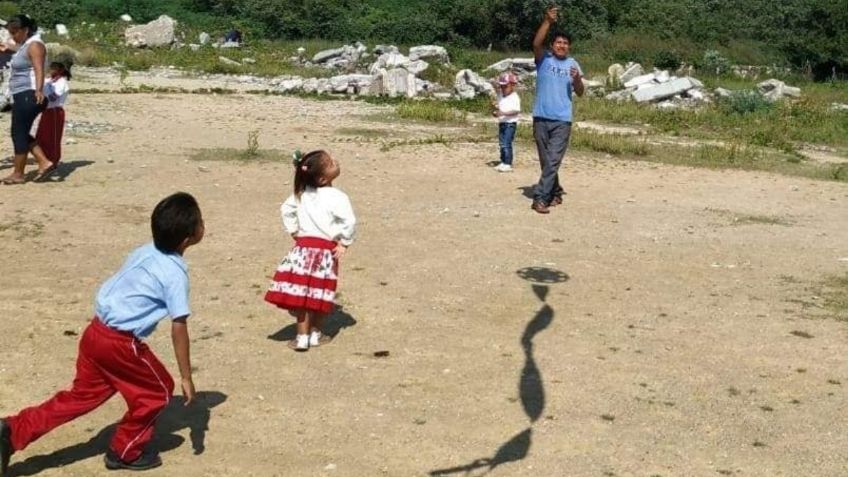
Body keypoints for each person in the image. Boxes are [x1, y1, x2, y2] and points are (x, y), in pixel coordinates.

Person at [0, 192, 205, 473]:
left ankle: (11, 432)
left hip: (95, 332)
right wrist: (186, 376)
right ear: (188, 238)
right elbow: (178, 326)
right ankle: (125, 451)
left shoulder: (145, 250)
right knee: (157, 391)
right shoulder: (175, 274)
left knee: (79, 397)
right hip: (119, 344)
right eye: (201, 222)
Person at [265, 150, 356, 352]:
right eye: (331, 162)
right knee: (320, 293)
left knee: (301, 296)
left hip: (303, 252)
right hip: (326, 253)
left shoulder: (302, 194)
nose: (336, 160)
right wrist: (344, 243)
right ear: (323, 178)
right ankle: (315, 333)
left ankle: (302, 337)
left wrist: (295, 232)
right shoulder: (338, 196)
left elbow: (285, 210)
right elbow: (349, 221)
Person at [530, 6, 585, 214]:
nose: (562, 45)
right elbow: (536, 43)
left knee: (553, 160)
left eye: (565, 43)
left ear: (569, 47)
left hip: (562, 120)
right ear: (552, 46)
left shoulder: (573, 64)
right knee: (547, 161)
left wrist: (577, 79)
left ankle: (540, 198)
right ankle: (555, 191)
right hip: (541, 117)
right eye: (558, 42)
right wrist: (547, 21)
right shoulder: (544, 60)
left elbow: (580, 92)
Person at [0, 15, 55, 185]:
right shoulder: (26, 45)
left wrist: (38, 90)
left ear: (26, 30)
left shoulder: (35, 45)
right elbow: (19, 53)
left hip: (29, 93)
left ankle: (18, 174)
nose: (12, 36)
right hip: (23, 94)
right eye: (10, 32)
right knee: (21, 132)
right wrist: (8, 48)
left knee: (18, 134)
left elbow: (39, 69)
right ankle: (44, 162)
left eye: (15, 32)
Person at [35, 61, 71, 165]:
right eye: (51, 68)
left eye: (54, 68)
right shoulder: (50, 80)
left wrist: (45, 90)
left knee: (53, 136)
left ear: (59, 70)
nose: (51, 70)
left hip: (55, 111)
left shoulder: (62, 82)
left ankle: (54, 159)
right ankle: (44, 157)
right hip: (47, 110)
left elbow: (54, 97)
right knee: (42, 135)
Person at [491, 71, 521, 173]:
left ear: (512, 85)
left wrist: (503, 113)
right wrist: (496, 110)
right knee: (501, 143)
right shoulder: (501, 95)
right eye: (502, 86)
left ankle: (508, 163)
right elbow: (495, 87)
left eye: (506, 86)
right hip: (502, 123)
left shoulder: (514, 97)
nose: (503, 88)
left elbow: (516, 110)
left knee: (506, 143)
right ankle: (503, 161)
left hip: (510, 124)